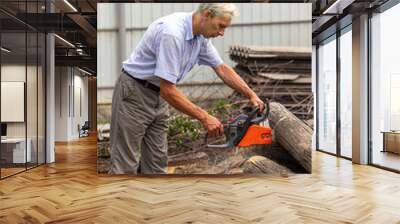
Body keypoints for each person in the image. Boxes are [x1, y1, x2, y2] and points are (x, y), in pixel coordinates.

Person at [109, 3, 265, 175]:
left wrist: (251, 94)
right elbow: (168, 89)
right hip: (135, 93)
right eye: (220, 26)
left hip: (158, 97)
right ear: (207, 14)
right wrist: (205, 117)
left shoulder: (200, 38)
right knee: (124, 165)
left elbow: (221, 68)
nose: (222, 33)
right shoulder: (173, 33)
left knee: (157, 163)